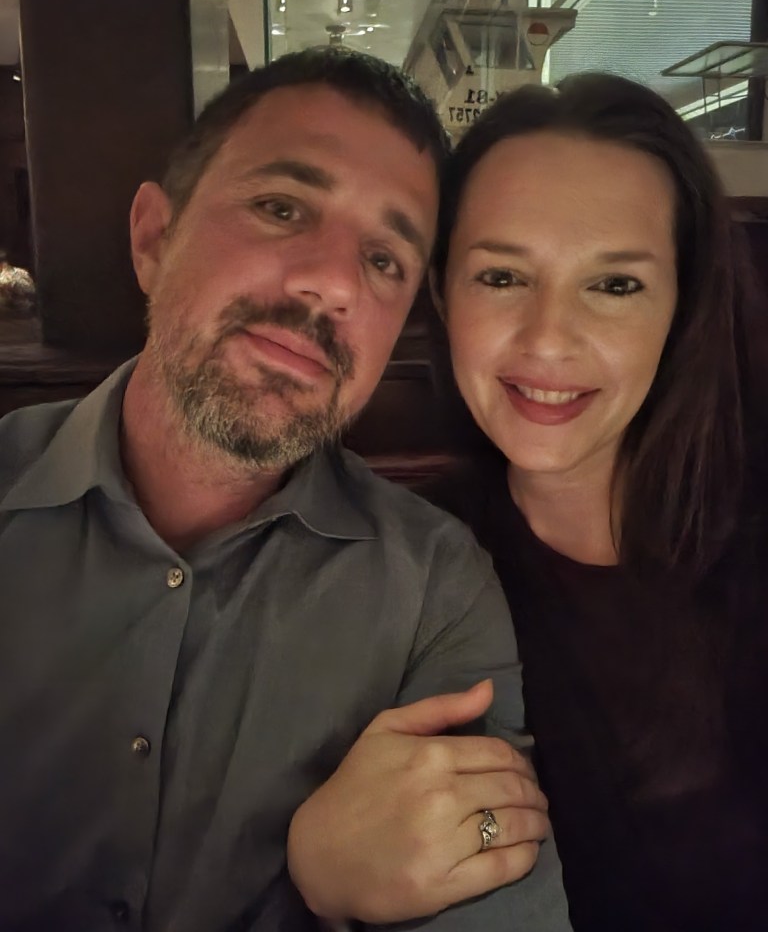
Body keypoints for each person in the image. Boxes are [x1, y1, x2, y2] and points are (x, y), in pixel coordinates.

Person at [0, 48, 571, 932]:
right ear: (154, 239)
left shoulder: (433, 591)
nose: (334, 282)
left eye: (385, 259)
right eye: (280, 208)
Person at [287, 72, 768, 931]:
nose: (549, 338)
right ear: (443, 293)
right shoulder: (402, 570)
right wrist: (322, 881)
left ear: (683, 305)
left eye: (614, 285)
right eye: (503, 276)